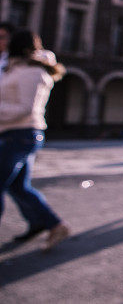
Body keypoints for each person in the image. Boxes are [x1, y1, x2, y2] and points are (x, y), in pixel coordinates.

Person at [0, 30, 69, 250]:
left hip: (20, 135)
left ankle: (49, 223)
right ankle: (50, 224)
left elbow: (24, 108)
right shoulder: (17, 68)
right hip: (15, 133)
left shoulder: (32, 72)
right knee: (19, 187)